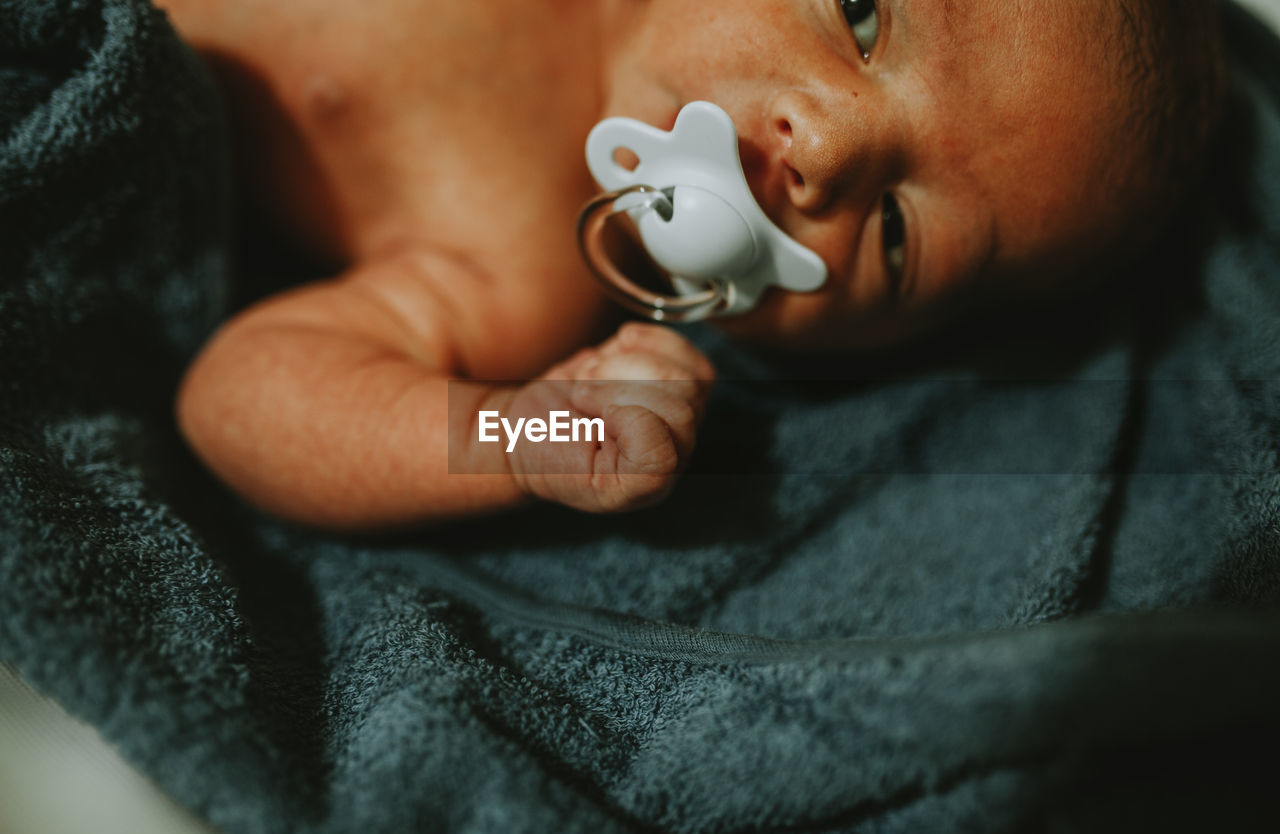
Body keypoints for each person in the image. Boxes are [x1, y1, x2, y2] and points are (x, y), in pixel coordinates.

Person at [169, 0, 1225, 529]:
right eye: (859, 14)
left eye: (896, 235)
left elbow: (240, 397)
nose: (827, 144)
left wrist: (532, 433)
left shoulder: (515, 268)